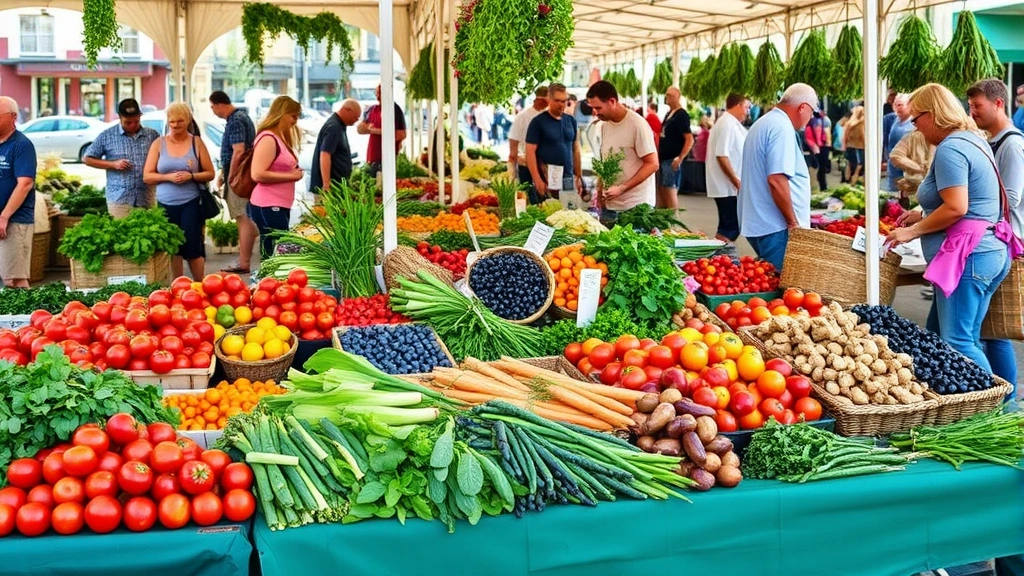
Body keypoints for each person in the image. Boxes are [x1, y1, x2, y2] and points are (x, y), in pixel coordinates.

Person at [886, 83, 1012, 378]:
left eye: (916, 119)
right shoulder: (972, 139)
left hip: (969, 257)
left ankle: (995, 407)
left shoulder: (952, 147)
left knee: (959, 342)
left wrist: (913, 231)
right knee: (957, 334)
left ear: (932, 115)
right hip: (986, 251)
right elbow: (969, 199)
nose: (916, 128)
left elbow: (956, 207)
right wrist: (923, 213)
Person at [967, 78, 1024, 389]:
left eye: (978, 105)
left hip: (1008, 242)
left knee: (996, 331)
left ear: (998, 103)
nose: (972, 111)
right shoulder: (991, 140)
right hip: (998, 239)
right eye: (970, 105)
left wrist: (975, 198)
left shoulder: (1012, 143)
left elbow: (1012, 196)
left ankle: (1006, 399)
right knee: (988, 330)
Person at [738, 83, 819, 270]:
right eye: (812, 111)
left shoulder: (764, 123)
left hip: (762, 223)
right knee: (786, 291)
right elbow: (776, 179)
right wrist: (793, 223)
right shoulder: (781, 128)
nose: (811, 117)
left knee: (773, 284)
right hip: (776, 227)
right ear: (802, 108)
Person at [142, 103, 215, 279]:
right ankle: (178, 286)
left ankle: (200, 285)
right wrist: (168, 178)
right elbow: (147, 176)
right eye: (172, 121)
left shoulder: (196, 142)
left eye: (180, 121)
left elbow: (210, 173)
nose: (175, 125)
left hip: (191, 202)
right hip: (165, 204)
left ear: (188, 120)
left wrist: (191, 176)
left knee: (193, 247)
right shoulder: (159, 143)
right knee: (173, 248)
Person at [586, 81, 659, 215]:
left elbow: (652, 164)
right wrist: (600, 187)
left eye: (598, 108)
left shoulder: (637, 124)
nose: (595, 113)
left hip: (636, 206)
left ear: (612, 101)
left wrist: (622, 188)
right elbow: (606, 160)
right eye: (592, 108)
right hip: (610, 205)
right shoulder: (604, 125)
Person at [83, 98, 160, 218]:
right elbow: (87, 159)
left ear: (140, 116)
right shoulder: (107, 135)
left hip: (146, 196)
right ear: (119, 117)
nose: (133, 125)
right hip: (119, 198)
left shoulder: (152, 135)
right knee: (121, 233)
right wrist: (113, 164)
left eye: (136, 121)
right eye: (128, 122)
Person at [208, 91, 257, 275]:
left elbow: (238, 151)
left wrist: (231, 175)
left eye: (212, 107)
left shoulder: (236, 120)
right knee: (245, 216)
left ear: (219, 104)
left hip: (239, 177)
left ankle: (243, 262)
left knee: (241, 217)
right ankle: (244, 258)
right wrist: (223, 173)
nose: (213, 112)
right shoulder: (242, 117)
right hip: (239, 174)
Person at [249, 96, 304, 259]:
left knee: (275, 250)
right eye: (293, 116)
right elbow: (257, 173)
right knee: (279, 250)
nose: (295, 121)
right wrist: (290, 175)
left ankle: (270, 282)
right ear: (283, 114)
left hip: (279, 204)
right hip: (268, 204)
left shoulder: (279, 138)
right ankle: (268, 282)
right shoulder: (268, 138)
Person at [525, 83, 582, 205]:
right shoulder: (537, 122)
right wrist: (537, 179)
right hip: (547, 177)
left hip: (568, 177)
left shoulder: (571, 120)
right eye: (557, 101)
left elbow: (576, 149)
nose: (561, 104)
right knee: (548, 214)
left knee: (569, 213)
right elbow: (530, 153)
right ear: (549, 99)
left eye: (564, 101)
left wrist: (579, 175)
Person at [0, 96, 36, 288]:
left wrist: (4, 216)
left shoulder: (21, 145)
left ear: (13, 117)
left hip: (14, 220)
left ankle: (26, 318)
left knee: (14, 278)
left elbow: (25, 183)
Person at [706, 93, 750, 245]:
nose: (747, 111)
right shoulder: (727, 124)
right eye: (746, 107)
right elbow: (722, 155)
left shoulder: (729, 122)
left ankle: (717, 256)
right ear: (738, 105)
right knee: (731, 226)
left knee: (730, 225)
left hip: (727, 185)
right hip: (727, 186)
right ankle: (715, 255)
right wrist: (735, 180)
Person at [310, 99, 362, 196]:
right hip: (330, 188)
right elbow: (325, 154)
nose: (357, 120)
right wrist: (326, 185)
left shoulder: (339, 125)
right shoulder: (334, 127)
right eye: (356, 116)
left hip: (337, 186)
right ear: (347, 110)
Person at [508, 86, 549, 204]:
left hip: (545, 163)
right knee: (529, 194)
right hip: (526, 163)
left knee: (545, 197)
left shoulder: (549, 115)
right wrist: (512, 166)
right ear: (540, 99)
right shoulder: (523, 116)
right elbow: (513, 142)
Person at [656, 86, 693, 210]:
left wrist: (680, 158)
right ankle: (665, 222)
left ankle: (674, 224)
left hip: (672, 159)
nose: (668, 98)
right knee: (663, 190)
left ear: (678, 97)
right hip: (664, 158)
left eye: (671, 95)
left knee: (670, 190)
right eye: (667, 95)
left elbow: (689, 139)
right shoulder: (669, 114)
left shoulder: (681, 115)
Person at [357, 85, 406, 177]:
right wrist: (382, 131)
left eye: (380, 93)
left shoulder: (396, 110)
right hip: (372, 157)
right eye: (377, 93)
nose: (378, 96)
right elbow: (360, 129)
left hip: (389, 158)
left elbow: (401, 134)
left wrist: (374, 130)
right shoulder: (372, 109)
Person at [889, 130, 935, 198]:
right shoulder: (913, 137)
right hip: (915, 189)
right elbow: (896, 156)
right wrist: (917, 167)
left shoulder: (948, 139)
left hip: (940, 190)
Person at [887, 94, 915, 192]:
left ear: (909, 105)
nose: (896, 108)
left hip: (908, 170)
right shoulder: (895, 120)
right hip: (893, 170)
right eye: (895, 105)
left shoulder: (914, 123)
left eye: (900, 105)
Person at [804, 109, 830, 192]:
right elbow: (827, 134)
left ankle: (820, 187)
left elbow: (808, 138)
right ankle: (822, 187)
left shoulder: (809, 123)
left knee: (818, 168)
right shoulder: (824, 120)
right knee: (820, 169)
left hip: (815, 148)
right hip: (822, 147)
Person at [843, 106, 866, 184]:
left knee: (851, 165)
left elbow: (845, 135)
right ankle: (854, 182)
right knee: (859, 167)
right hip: (860, 147)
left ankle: (849, 180)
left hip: (850, 146)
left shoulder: (849, 123)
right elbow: (863, 135)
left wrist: (844, 145)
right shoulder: (862, 123)